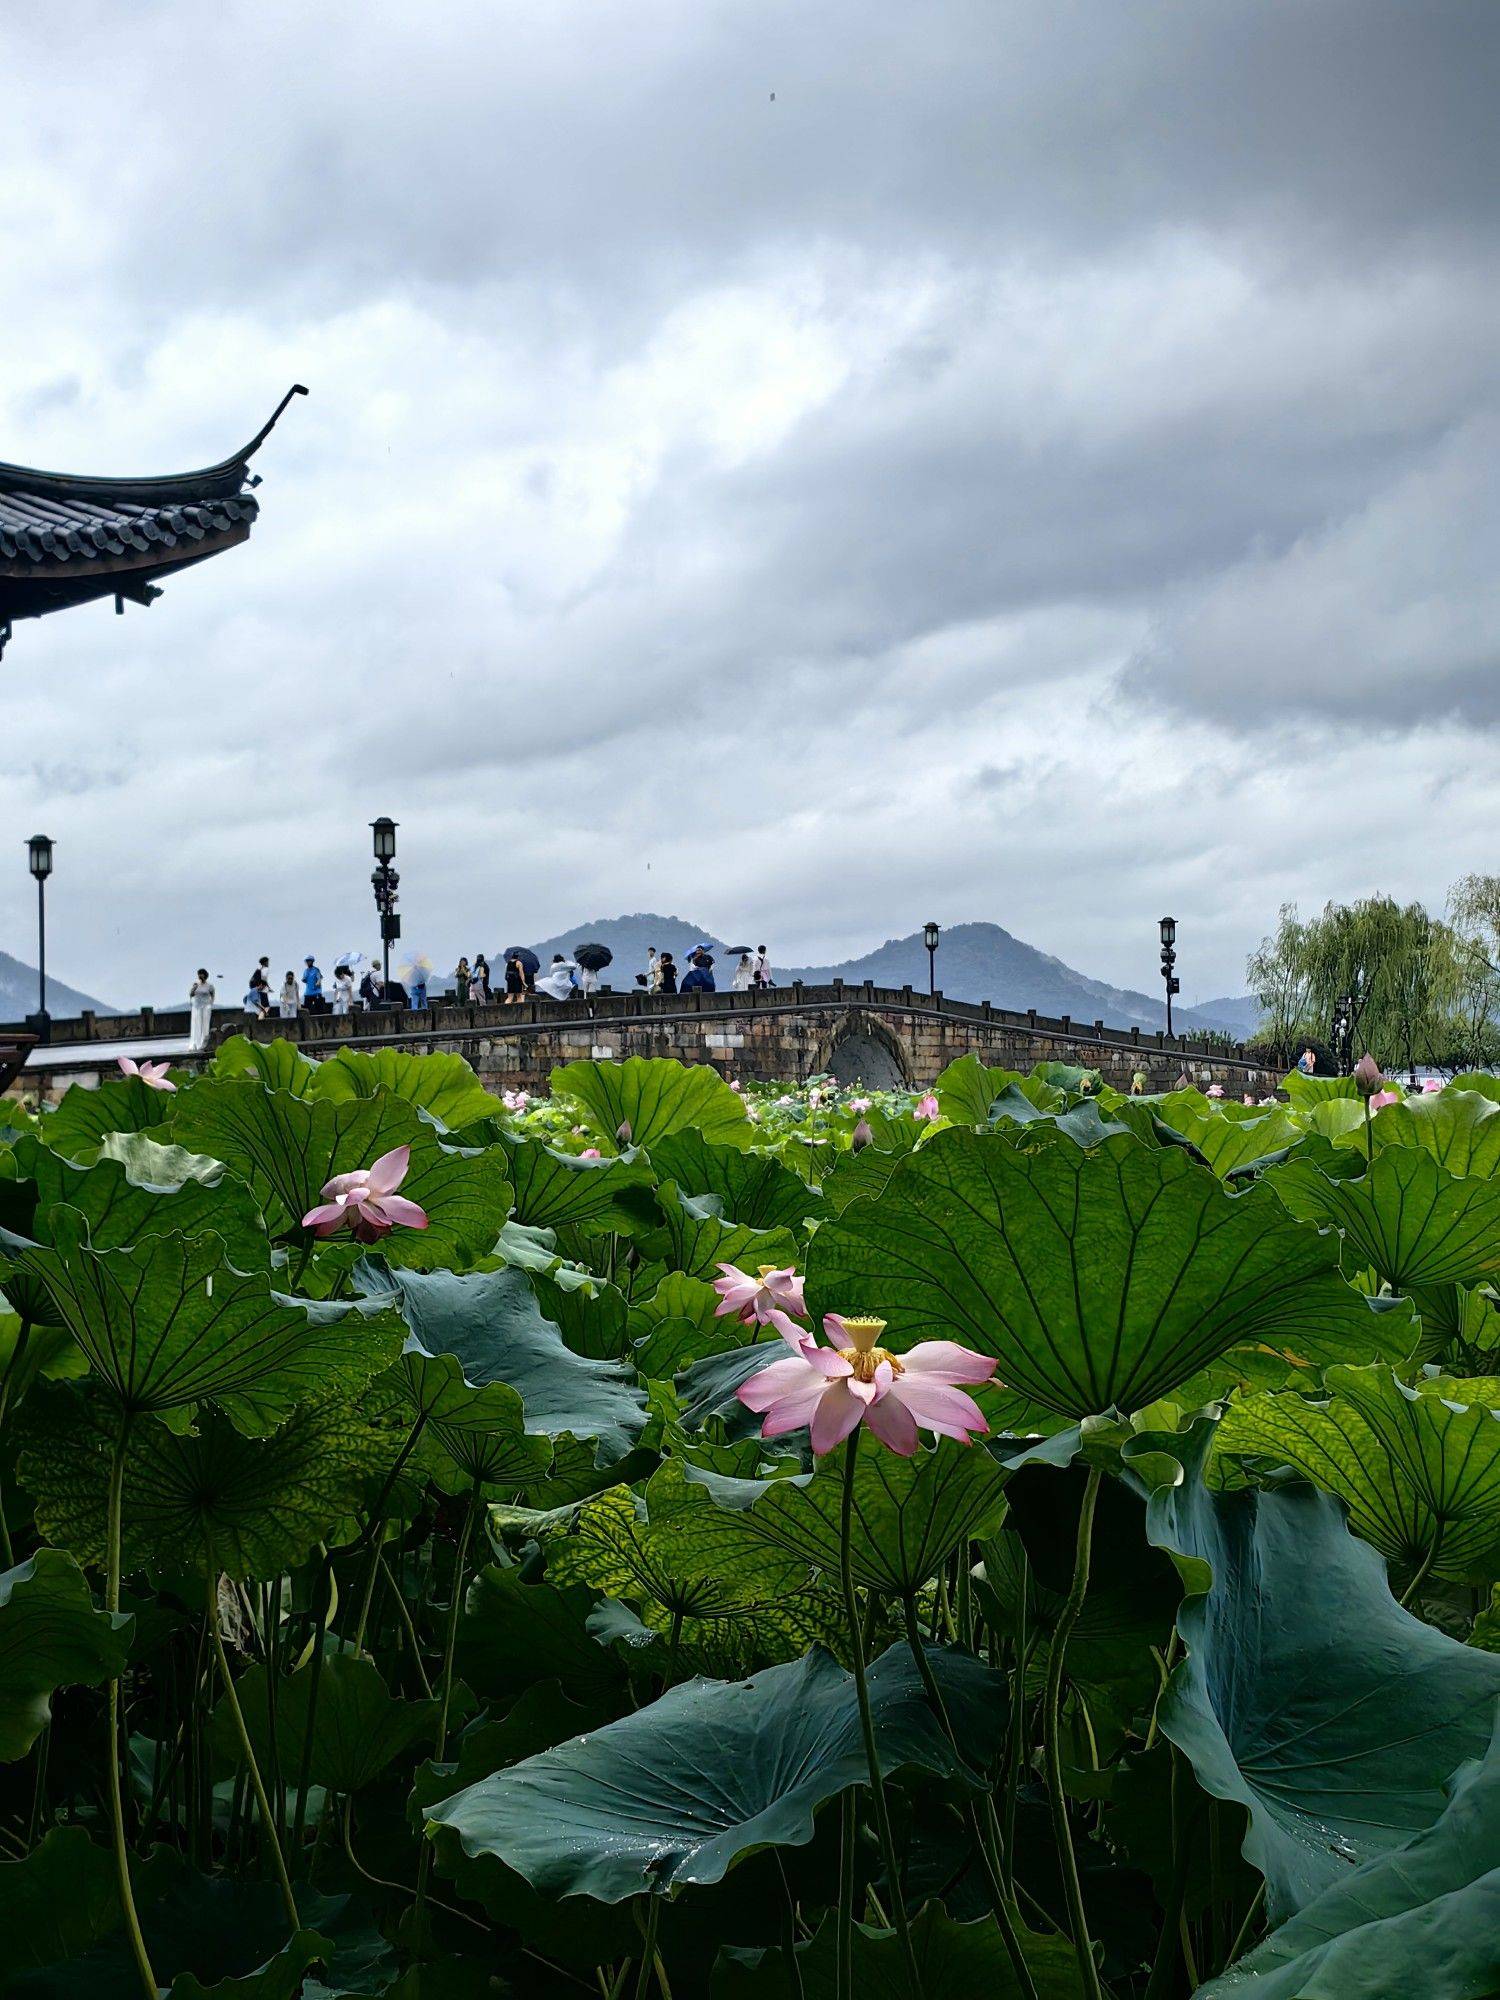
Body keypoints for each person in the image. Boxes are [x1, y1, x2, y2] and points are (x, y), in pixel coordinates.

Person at [189, 969, 216, 1049]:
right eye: (199, 974)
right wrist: (194, 988)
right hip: (197, 1007)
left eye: (201, 974)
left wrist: (210, 1004)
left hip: (206, 1006)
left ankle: (204, 1042)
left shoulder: (209, 986)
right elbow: (191, 994)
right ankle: (195, 1043)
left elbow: (212, 995)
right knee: (196, 1024)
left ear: (205, 975)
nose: (200, 976)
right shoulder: (196, 984)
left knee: (205, 1024)